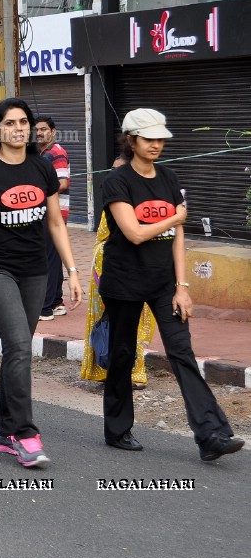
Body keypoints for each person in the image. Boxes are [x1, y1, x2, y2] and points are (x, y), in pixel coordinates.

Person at [99, 109, 243, 461]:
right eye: (149, 139)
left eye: (161, 139)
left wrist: (183, 286)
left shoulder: (168, 176)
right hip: (124, 283)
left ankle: (211, 435)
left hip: (165, 284)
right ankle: (117, 429)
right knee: (122, 355)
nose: (157, 145)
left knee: (182, 352)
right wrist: (174, 216)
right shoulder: (116, 181)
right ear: (131, 140)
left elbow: (176, 236)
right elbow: (132, 233)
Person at [0, 98, 82, 469]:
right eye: (10, 123)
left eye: (23, 122)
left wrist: (73, 271)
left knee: (19, 348)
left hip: (34, 270)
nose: (19, 129)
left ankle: (2, 427)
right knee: (17, 344)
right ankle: (24, 433)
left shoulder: (41, 168)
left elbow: (56, 223)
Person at [81, 156, 153, 389]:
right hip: (106, 266)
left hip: (130, 267)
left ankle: (133, 373)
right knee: (106, 321)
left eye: (119, 170)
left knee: (132, 321)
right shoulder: (116, 197)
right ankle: (108, 370)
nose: (113, 174)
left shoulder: (139, 200)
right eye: (111, 169)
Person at [35, 116, 71, 321]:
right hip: (49, 212)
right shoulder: (43, 153)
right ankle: (57, 302)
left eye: (43, 129)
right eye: (37, 130)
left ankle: (45, 308)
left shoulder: (56, 152)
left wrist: (38, 190)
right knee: (54, 257)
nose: (39, 133)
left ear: (53, 131)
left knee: (47, 258)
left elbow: (63, 182)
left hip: (53, 213)